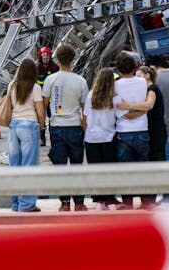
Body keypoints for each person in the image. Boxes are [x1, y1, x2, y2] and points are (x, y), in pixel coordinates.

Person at [42, 44, 89, 211]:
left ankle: (64, 202)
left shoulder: (50, 79)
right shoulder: (81, 81)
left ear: (57, 60)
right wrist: (84, 127)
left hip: (57, 126)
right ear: (73, 59)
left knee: (60, 166)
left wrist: (43, 123)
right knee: (77, 166)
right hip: (75, 126)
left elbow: (44, 103)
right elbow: (85, 109)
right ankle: (79, 202)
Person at [7, 58, 45, 212]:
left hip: (13, 126)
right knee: (29, 166)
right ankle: (27, 204)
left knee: (15, 166)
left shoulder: (12, 85)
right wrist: (42, 126)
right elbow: (40, 111)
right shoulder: (35, 87)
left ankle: (15, 204)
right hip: (29, 125)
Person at [113, 51, 150, 209]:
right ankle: (146, 201)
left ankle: (127, 202)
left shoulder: (116, 85)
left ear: (118, 70)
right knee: (144, 168)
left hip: (123, 131)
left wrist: (129, 112)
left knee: (126, 170)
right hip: (142, 128)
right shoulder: (142, 82)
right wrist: (141, 112)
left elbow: (123, 113)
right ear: (135, 67)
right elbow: (146, 106)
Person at [84, 68, 122, 210]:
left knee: (96, 170)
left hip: (91, 138)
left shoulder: (90, 96)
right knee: (109, 170)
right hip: (109, 136)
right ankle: (110, 199)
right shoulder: (115, 97)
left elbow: (85, 117)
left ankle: (99, 200)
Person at [36, 46, 59, 147]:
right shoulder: (37, 68)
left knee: (52, 116)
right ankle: (42, 137)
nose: (45, 58)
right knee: (40, 117)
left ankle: (53, 136)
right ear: (40, 57)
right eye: (44, 56)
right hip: (39, 97)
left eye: (47, 56)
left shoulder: (55, 68)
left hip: (51, 97)